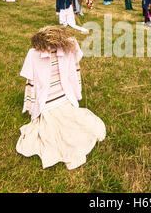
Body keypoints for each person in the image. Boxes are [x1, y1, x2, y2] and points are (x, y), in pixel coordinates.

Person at [17, 26, 105, 170]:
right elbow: (30, 84)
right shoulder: (34, 55)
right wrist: (32, 107)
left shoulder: (68, 51)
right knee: (54, 132)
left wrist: (76, 94)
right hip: (47, 105)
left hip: (64, 99)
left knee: (73, 125)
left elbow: (75, 72)